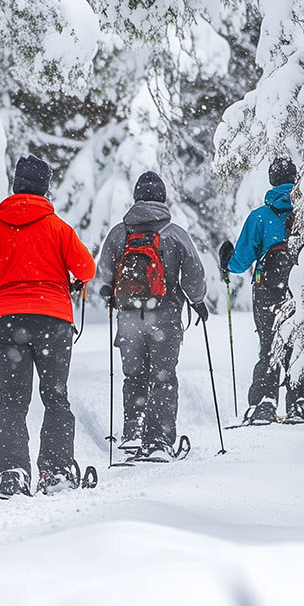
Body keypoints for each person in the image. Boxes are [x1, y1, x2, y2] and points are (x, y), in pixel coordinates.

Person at [0, 154, 96, 497]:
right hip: (53, 321)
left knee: (12, 401)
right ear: (45, 189)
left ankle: (12, 473)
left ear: (15, 186)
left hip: (7, 322)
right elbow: (86, 270)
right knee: (55, 398)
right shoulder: (59, 229)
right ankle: (55, 471)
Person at [95, 171, 209, 459]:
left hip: (130, 318)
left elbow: (103, 275)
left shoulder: (120, 233)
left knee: (133, 375)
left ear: (136, 197)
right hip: (166, 319)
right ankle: (158, 440)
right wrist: (197, 301)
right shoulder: (174, 234)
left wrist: (110, 291)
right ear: (163, 198)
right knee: (163, 377)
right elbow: (194, 274)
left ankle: (133, 433)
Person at [219, 156, 300, 423]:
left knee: (269, 344)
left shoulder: (260, 217)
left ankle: (264, 404)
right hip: (301, 288)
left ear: (272, 181)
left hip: (269, 290)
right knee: (301, 343)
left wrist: (227, 261)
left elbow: (240, 262)